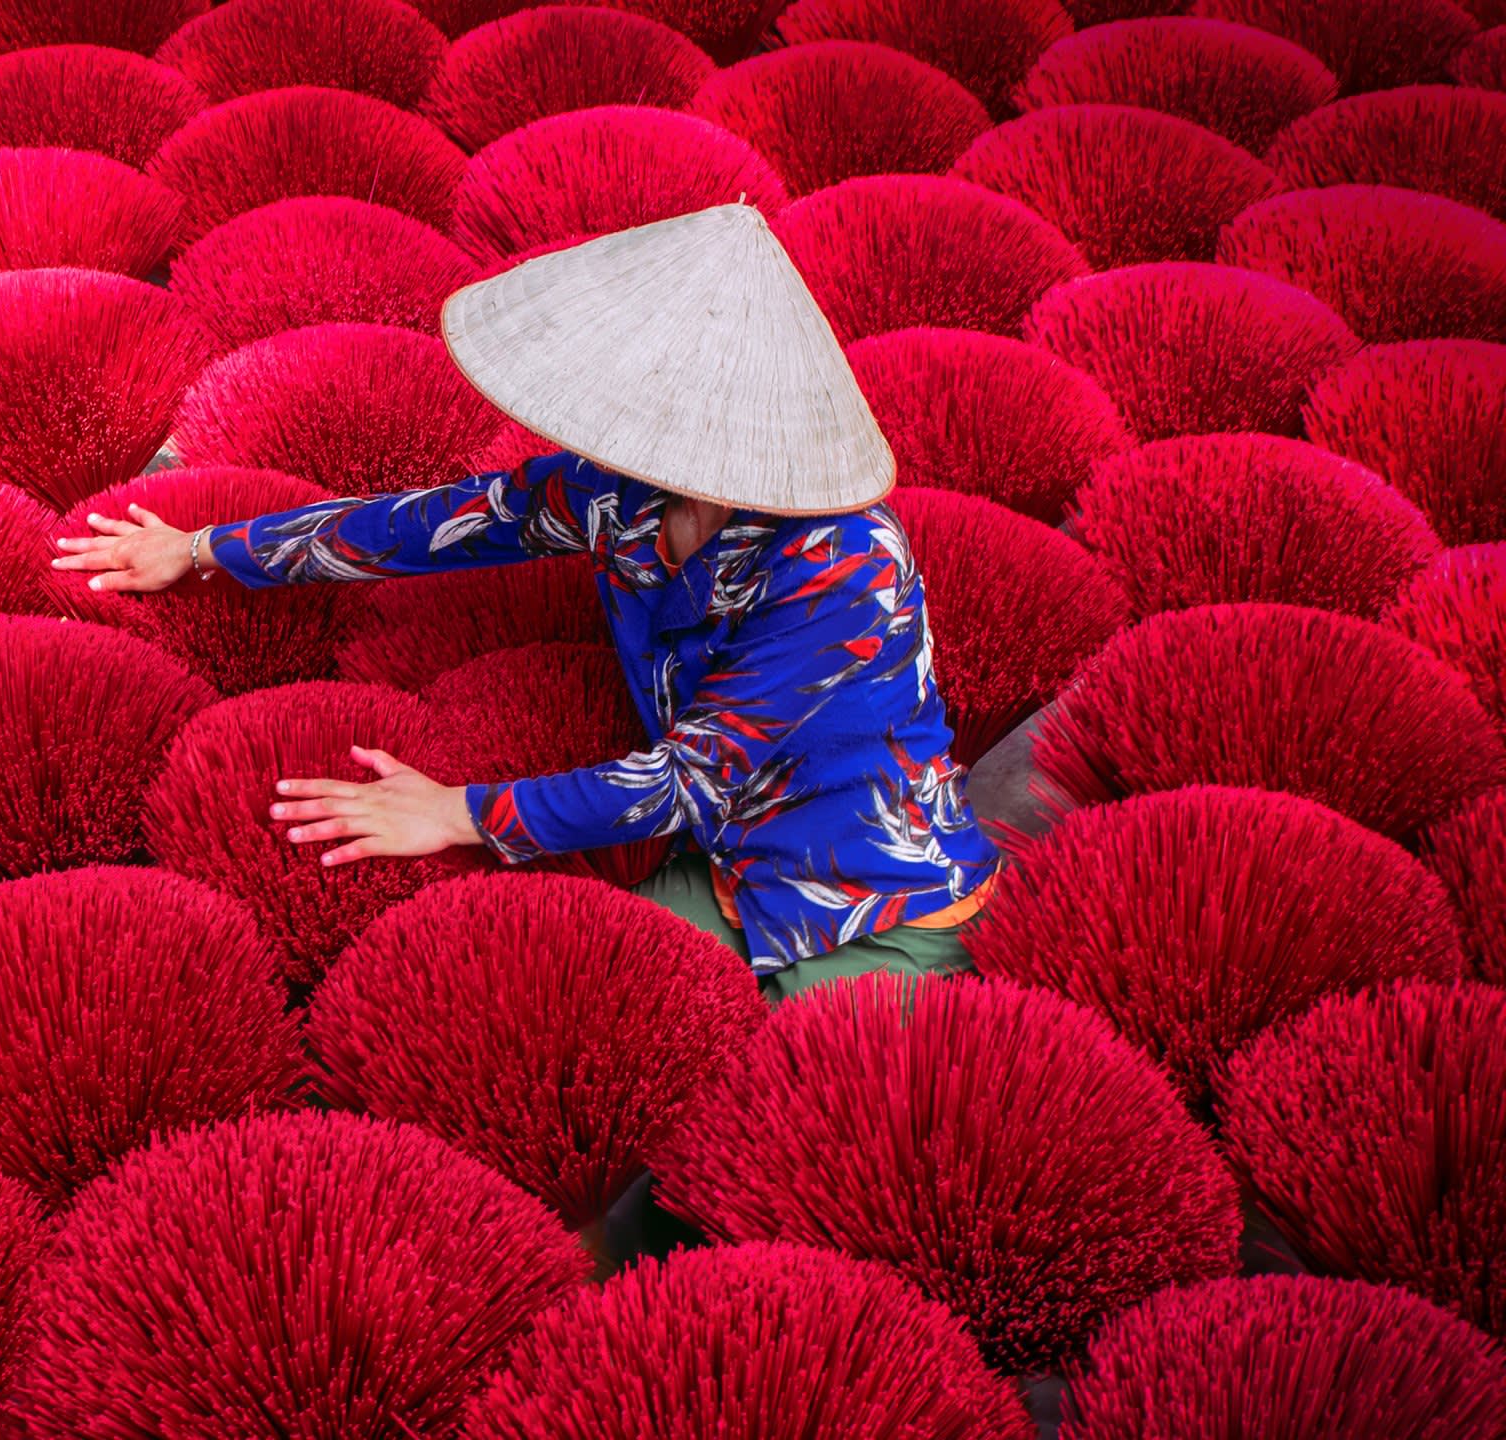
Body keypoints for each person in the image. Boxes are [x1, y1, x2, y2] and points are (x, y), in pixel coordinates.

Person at [52, 204, 997, 1000]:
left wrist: (455, 812)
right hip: (724, 871)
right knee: (570, 1014)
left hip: (879, 901)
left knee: (775, 1134)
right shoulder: (622, 494)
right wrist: (210, 548)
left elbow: (685, 777)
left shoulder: (846, 567)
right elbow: (447, 523)